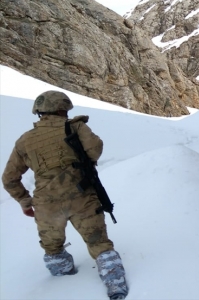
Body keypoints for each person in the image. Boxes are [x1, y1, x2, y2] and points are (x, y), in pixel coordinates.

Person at [2, 91, 128, 300]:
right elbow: (95, 151)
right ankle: (116, 288)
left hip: (45, 206)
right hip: (82, 198)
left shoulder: (24, 141)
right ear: (62, 108)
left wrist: (25, 201)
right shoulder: (75, 127)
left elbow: (9, 179)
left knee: (53, 249)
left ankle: (61, 288)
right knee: (99, 244)